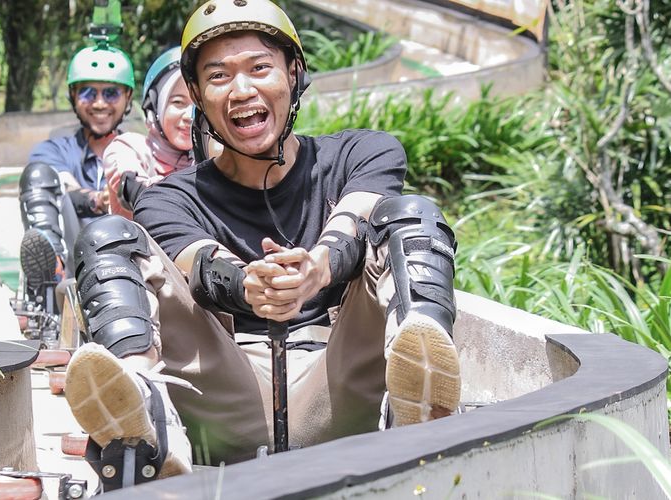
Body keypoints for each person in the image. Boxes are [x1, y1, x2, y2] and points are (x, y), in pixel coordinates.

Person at [63, 0, 461, 490]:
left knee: (410, 215)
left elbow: (354, 218)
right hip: (224, 396)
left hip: (337, 385)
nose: (242, 90)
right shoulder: (170, 197)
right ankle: (142, 410)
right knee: (106, 237)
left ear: (293, 74)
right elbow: (201, 265)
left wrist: (318, 267)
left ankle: (419, 404)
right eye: (219, 76)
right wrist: (248, 283)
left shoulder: (362, 153)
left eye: (259, 68)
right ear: (196, 94)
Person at [17, 43, 134, 319]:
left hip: (129, 259)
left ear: (128, 97)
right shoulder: (54, 149)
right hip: (72, 261)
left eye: (111, 93)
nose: (99, 103)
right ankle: (48, 284)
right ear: (73, 95)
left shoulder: (138, 151)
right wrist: (99, 199)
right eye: (87, 92)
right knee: (37, 175)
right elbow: (64, 186)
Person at [102, 46, 194, 220]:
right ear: (154, 107)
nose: (190, 116)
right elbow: (130, 184)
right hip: (139, 246)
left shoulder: (214, 157)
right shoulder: (129, 148)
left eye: (198, 104)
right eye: (178, 102)